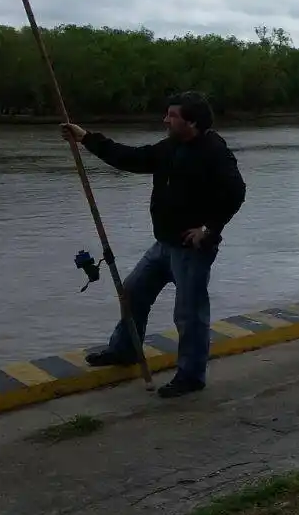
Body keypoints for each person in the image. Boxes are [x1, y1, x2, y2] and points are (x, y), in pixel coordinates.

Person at [59, 91, 247, 398]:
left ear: (192, 121)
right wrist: (86, 139)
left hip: (192, 251)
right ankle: (125, 351)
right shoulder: (170, 147)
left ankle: (191, 375)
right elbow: (133, 158)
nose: (165, 120)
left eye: (172, 115)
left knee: (189, 314)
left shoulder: (215, 151)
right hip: (163, 245)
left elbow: (236, 192)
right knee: (132, 292)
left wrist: (209, 228)